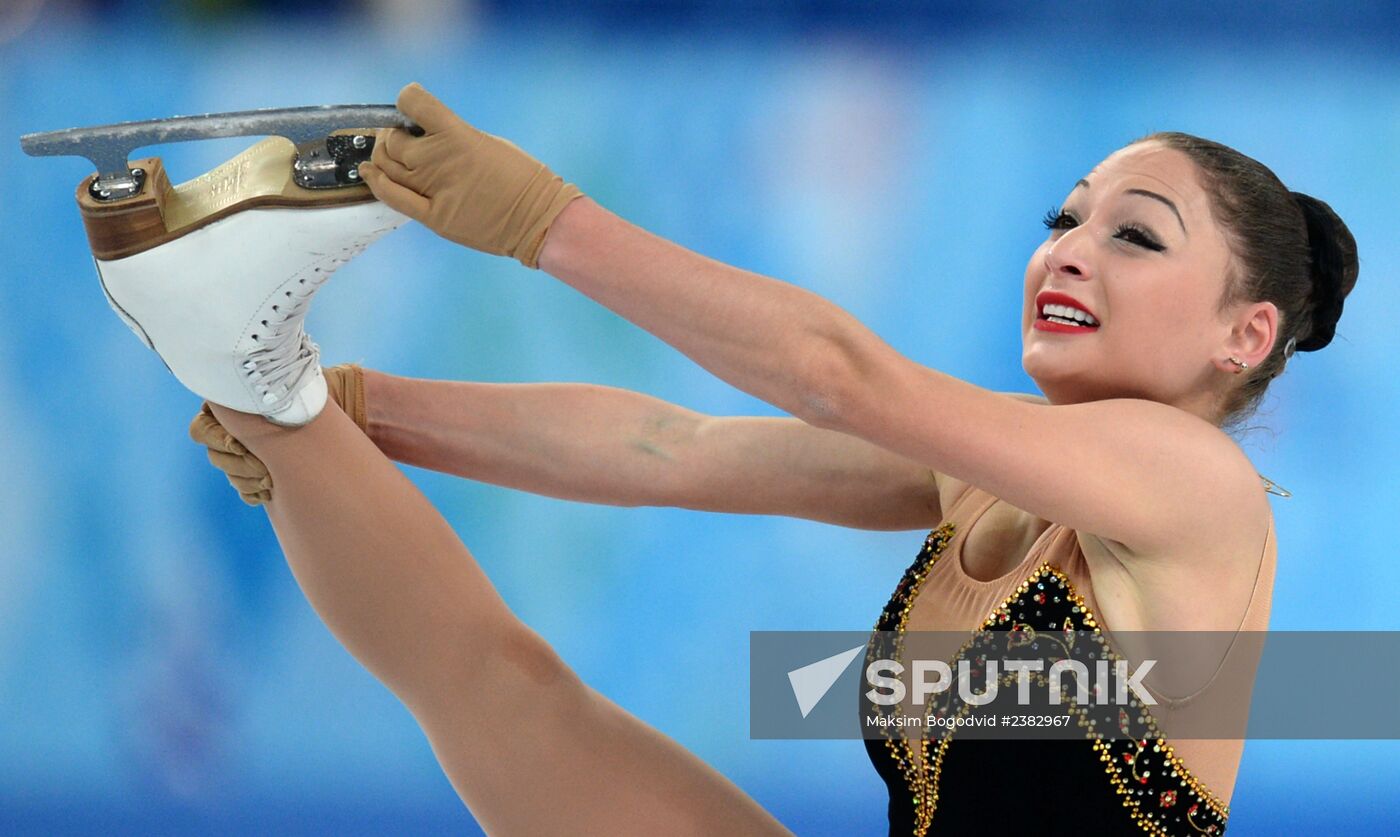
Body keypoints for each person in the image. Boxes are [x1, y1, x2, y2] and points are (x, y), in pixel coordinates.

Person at [165, 83, 1357, 834]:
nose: (1069, 252)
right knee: (510, 697)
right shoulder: (990, 470)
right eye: (1062, 220)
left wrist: (547, 224)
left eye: (1134, 234)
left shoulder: (1194, 484)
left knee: (509, 697)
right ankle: (258, 377)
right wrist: (358, 405)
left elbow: (836, 373)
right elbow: (671, 447)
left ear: (1241, 336)